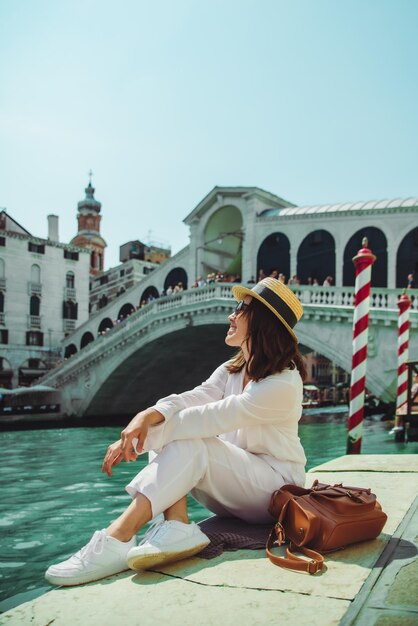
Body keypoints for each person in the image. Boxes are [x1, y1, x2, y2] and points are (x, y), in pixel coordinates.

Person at [45, 277, 307, 587]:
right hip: (238, 488)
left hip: (276, 494)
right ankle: (175, 523)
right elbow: (192, 398)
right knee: (171, 424)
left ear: (263, 321)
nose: (231, 315)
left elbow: (212, 418)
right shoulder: (232, 369)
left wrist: (139, 439)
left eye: (241, 308)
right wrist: (149, 414)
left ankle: (118, 536)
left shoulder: (282, 384)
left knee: (186, 436)